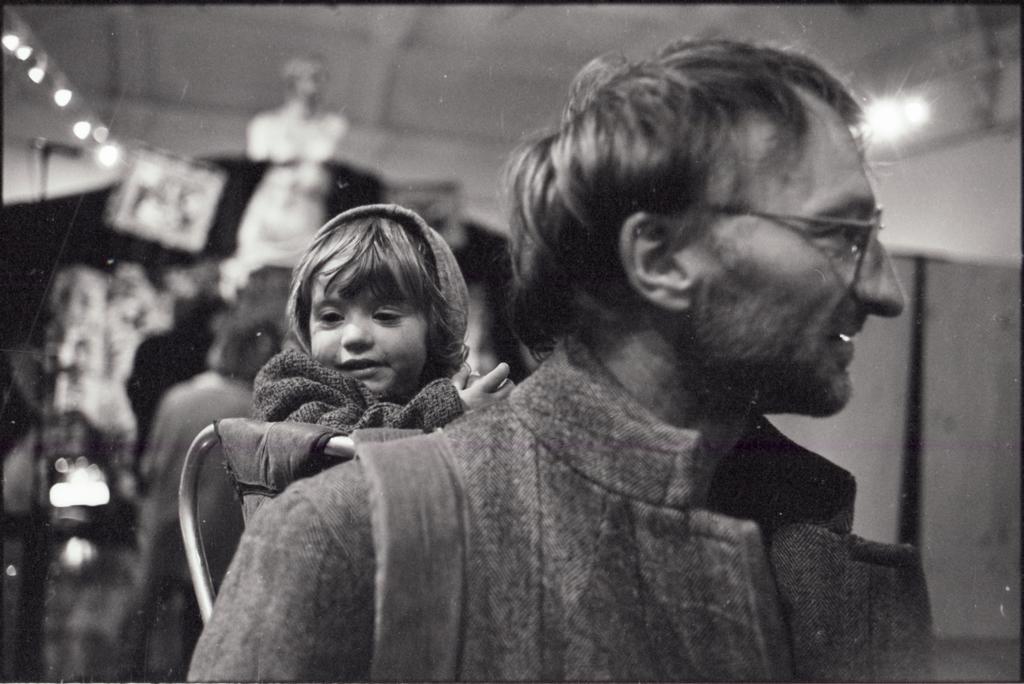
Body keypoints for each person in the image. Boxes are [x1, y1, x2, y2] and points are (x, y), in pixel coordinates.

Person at [189, 38, 933, 681]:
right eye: (840, 232)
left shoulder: (813, 544)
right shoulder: (346, 539)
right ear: (660, 257)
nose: (885, 289)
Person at [225, 203, 514, 520]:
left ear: (436, 329)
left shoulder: (439, 388)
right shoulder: (290, 382)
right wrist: (451, 409)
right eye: (331, 317)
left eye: (385, 316)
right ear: (305, 327)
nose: (353, 337)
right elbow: (337, 440)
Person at [121, 316, 282, 680]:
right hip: (219, 536)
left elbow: (149, 464)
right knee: (203, 628)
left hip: (166, 524)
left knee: (145, 624)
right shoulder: (252, 408)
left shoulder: (176, 397)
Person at [220, 54, 350, 297]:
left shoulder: (332, 125)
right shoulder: (267, 124)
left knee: (307, 276)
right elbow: (257, 154)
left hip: (307, 211)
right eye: (310, 78)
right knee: (251, 266)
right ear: (293, 82)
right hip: (273, 208)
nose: (316, 85)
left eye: (320, 78)